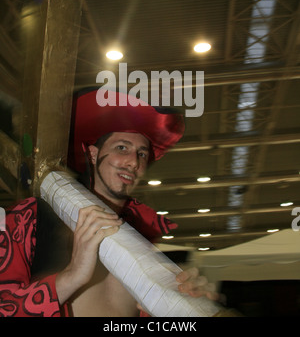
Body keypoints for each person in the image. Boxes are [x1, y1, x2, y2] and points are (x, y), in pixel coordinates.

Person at [0, 89, 218, 317]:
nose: (133, 162)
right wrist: (71, 276)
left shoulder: (140, 243)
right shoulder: (26, 220)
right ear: (93, 154)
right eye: (121, 147)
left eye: (142, 154)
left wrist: (188, 306)